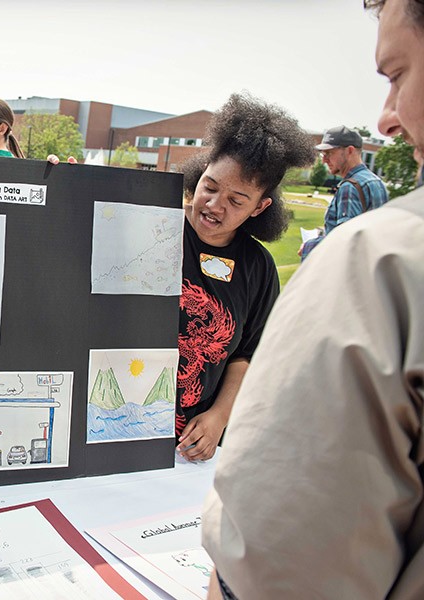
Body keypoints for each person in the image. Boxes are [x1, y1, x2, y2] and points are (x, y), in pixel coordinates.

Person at [202, 1, 424, 597]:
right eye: (208, 186)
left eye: (398, 74)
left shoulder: (379, 263)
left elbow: (288, 549)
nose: (389, 117)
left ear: (262, 208)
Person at [174, 93, 315, 462]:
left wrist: (218, 418)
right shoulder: (154, 223)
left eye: (237, 200)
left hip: (193, 442)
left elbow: (248, 352)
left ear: (260, 207)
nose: (215, 205)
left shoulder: (258, 267)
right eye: (210, 186)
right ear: (199, 173)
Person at [299, 124, 388, 259]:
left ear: (349, 151)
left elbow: (344, 242)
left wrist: (308, 246)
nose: (324, 160)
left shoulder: (350, 186)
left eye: (329, 153)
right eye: (323, 154)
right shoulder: (377, 182)